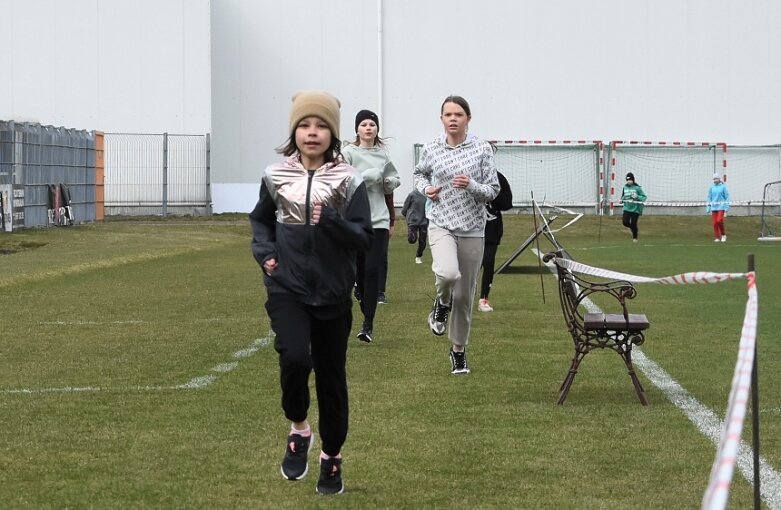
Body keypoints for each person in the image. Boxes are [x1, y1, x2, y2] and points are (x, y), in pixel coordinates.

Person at [249, 91, 373, 496]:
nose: (312, 132)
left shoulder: (347, 179)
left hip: (334, 295)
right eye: (304, 125)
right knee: (295, 358)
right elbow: (261, 222)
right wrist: (266, 255)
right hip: (288, 288)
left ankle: (332, 458)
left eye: (320, 126)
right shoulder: (275, 175)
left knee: (332, 381)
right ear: (294, 131)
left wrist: (334, 220)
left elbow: (362, 238)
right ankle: (299, 428)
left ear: (332, 133)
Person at [413, 95, 499, 375]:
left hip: (473, 228)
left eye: (458, 114)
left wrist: (472, 185)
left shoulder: (482, 149)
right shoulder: (431, 148)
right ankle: (441, 301)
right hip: (441, 222)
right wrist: (426, 190)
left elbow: (493, 189)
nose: (453, 119)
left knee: (465, 296)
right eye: (448, 114)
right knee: (448, 274)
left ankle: (458, 351)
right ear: (441, 119)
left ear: (468, 119)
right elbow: (419, 175)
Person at [342, 109, 401, 343]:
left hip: (378, 219)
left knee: (373, 270)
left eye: (372, 125)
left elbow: (394, 179)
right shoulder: (347, 153)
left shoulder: (382, 156)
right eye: (364, 124)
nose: (368, 128)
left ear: (377, 130)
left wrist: (387, 181)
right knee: (358, 271)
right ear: (357, 129)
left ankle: (367, 325)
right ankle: (359, 289)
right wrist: (366, 176)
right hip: (354, 219)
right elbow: (341, 182)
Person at [477, 169, 513, 312]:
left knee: (488, 262)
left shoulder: (498, 177)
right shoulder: (468, 174)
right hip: (470, 228)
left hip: (492, 230)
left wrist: (491, 196)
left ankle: (484, 300)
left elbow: (507, 202)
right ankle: (460, 298)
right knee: (469, 266)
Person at [377, 192, 395, 304]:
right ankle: (360, 286)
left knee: (381, 258)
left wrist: (392, 221)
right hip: (362, 218)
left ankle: (380, 292)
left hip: (381, 221)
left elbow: (389, 198)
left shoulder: (383, 176)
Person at [401, 188, 429, 264]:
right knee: (412, 239)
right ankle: (412, 237)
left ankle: (418, 256)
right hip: (413, 220)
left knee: (423, 241)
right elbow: (405, 207)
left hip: (424, 220)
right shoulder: (412, 195)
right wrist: (406, 214)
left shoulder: (428, 195)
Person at [619, 172, 647, 242]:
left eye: (630, 180)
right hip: (627, 208)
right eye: (628, 180)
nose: (629, 181)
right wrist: (622, 200)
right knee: (625, 222)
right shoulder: (624, 188)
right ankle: (634, 229)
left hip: (635, 209)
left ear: (633, 180)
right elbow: (623, 196)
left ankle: (635, 238)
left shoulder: (637, 188)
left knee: (634, 223)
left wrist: (637, 197)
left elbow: (644, 197)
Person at [706, 172, 730, 242]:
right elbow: (709, 197)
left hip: (721, 206)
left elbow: (727, 197)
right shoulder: (711, 187)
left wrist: (726, 208)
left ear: (719, 179)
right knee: (714, 223)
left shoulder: (723, 187)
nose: (715, 180)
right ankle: (717, 237)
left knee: (719, 221)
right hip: (714, 207)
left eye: (716, 178)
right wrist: (708, 206)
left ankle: (723, 234)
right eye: (714, 179)